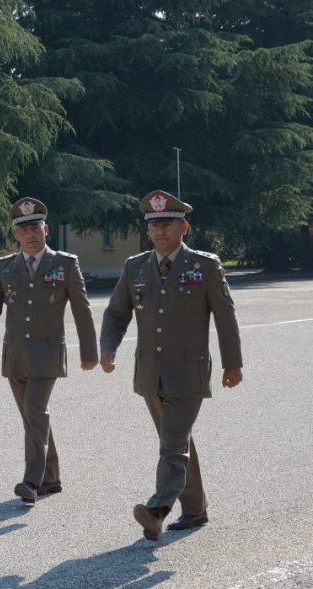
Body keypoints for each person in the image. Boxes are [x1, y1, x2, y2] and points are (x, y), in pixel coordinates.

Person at [100, 190, 243, 541]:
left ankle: (157, 509)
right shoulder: (135, 267)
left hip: (188, 373)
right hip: (150, 373)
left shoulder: (205, 266)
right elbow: (117, 313)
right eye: (154, 226)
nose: (160, 232)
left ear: (184, 227)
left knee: (172, 444)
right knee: (176, 442)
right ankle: (195, 511)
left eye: (167, 225)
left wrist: (232, 364)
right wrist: (108, 348)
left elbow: (225, 318)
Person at [0, 197, 98, 504]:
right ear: (16, 234)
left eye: (35, 227)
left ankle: (32, 480)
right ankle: (51, 477)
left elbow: (82, 310)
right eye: (23, 228)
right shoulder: (6, 267)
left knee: (35, 412)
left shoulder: (65, 264)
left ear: (47, 229)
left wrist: (89, 351)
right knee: (33, 419)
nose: (30, 234)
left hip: (47, 353)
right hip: (15, 354)